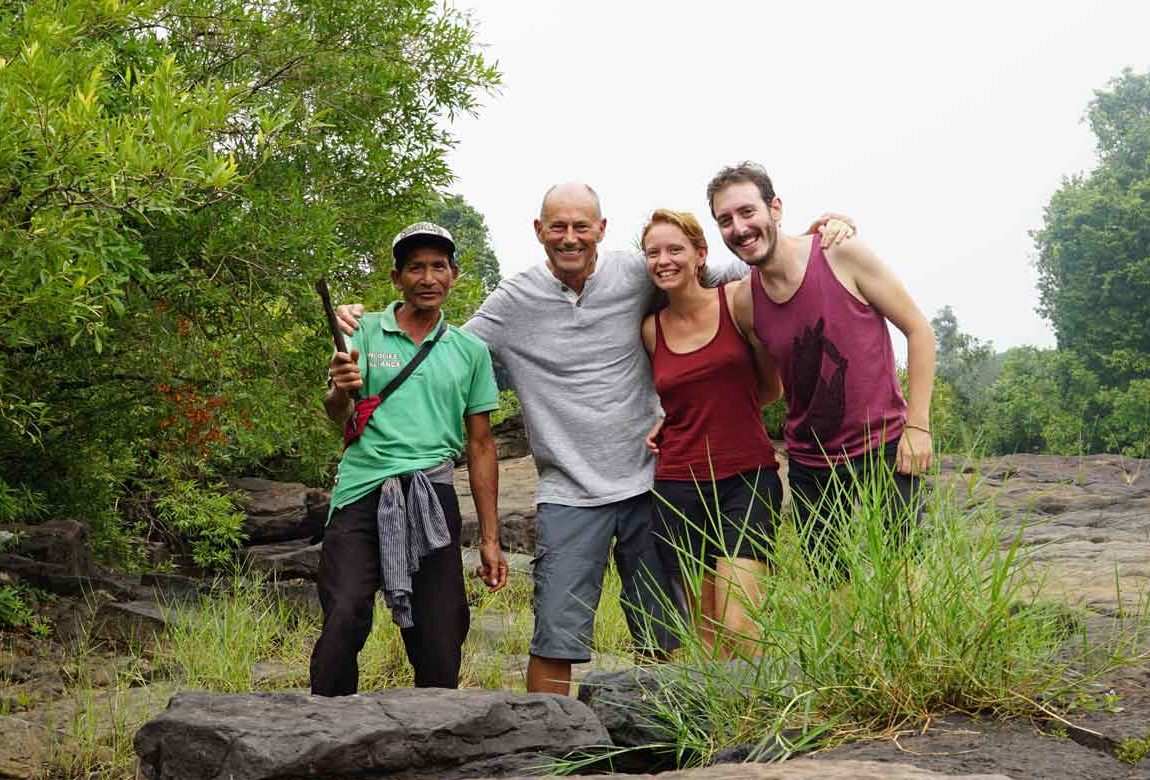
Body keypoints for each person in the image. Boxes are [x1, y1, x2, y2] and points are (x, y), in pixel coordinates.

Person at [337, 185, 854, 694]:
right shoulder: (513, 300)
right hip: (567, 495)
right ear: (539, 232)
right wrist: (368, 323)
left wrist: (810, 239)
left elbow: (735, 270)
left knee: (664, 636)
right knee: (553, 640)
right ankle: (541, 750)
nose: (569, 238)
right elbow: (436, 342)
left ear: (601, 230)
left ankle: (673, 748)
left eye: (581, 226)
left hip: (650, 485)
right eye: (557, 227)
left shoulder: (638, 270)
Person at [310, 222, 508, 696]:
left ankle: (435, 743)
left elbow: (481, 446)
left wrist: (490, 539)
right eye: (415, 267)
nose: (428, 277)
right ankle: (322, 730)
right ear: (397, 278)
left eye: (438, 267)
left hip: (432, 496)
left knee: (440, 639)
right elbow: (337, 412)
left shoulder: (470, 351)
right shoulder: (363, 332)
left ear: (454, 275)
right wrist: (339, 389)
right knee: (345, 613)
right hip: (362, 488)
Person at [709, 162, 935, 574]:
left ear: (774, 208)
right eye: (725, 220)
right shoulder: (745, 301)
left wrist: (918, 427)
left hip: (882, 449)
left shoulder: (839, 252)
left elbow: (919, 329)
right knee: (832, 596)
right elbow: (770, 388)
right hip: (811, 467)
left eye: (747, 212)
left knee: (906, 588)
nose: (738, 228)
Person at [640, 208, 785, 652]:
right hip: (678, 485)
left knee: (738, 621)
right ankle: (726, 724)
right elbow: (677, 398)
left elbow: (770, 388)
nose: (664, 260)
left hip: (747, 478)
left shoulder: (737, 300)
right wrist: (668, 421)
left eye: (675, 249)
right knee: (705, 635)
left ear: (700, 254)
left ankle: (760, 719)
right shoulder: (651, 329)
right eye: (653, 252)